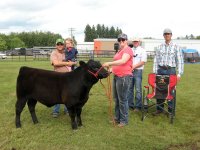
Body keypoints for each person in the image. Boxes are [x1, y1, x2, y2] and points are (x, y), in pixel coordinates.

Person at [103, 33, 133, 127]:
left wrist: (109, 63)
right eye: (119, 40)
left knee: (122, 99)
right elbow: (118, 64)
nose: (121, 41)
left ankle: (124, 120)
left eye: (123, 40)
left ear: (126, 40)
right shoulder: (120, 50)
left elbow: (123, 61)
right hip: (117, 76)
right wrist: (111, 70)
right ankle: (117, 118)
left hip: (124, 77)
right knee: (116, 99)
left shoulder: (128, 50)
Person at [152, 28, 184, 115]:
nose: (167, 35)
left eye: (168, 34)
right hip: (160, 70)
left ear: (171, 35)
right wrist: (155, 72)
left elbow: (180, 61)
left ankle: (170, 111)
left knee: (171, 90)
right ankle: (159, 109)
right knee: (160, 90)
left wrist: (179, 74)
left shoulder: (176, 47)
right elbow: (156, 60)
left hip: (171, 71)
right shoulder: (159, 47)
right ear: (163, 35)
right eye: (165, 34)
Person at [50, 38, 76, 118]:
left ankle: (67, 109)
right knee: (57, 94)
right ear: (56, 45)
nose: (60, 45)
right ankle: (55, 111)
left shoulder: (66, 52)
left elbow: (73, 60)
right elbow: (56, 63)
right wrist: (67, 63)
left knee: (68, 94)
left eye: (61, 44)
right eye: (58, 44)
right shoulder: (54, 53)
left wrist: (74, 63)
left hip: (68, 77)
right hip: (57, 77)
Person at [127, 37, 147, 112]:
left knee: (138, 89)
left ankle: (138, 106)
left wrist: (133, 67)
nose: (135, 42)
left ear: (139, 42)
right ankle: (130, 105)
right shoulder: (130, 50)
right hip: (130, 71)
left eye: (136, 41)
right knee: (130, 89)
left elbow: (143, 62)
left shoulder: (142, 50)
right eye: (134, 41)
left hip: (138, 71)